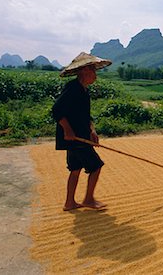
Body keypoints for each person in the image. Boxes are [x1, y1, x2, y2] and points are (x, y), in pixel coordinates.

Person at [52, 52, 112, 211]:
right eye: (93, 71)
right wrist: (68, 131)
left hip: (79, 137)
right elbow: (57, 110)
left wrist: (92, 130)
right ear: (84, 71)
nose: (95, 75)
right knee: (96, 166)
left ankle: (69, 203)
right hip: (76, 138)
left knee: (75, 168)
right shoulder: (73, 89)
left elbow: (85, 116)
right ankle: (88, 199)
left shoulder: (82, 90)